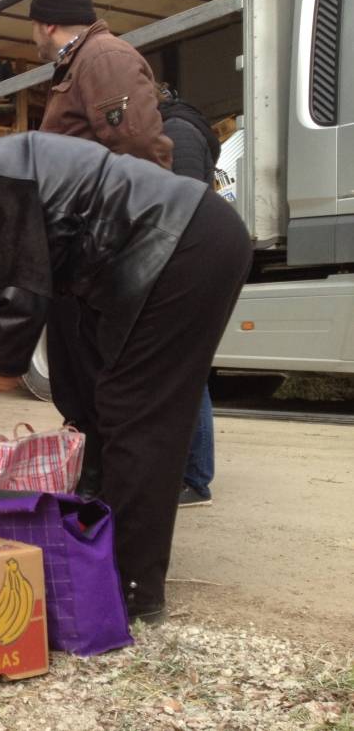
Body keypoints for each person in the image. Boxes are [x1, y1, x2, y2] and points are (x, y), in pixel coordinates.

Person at [0, 132, 251, 623]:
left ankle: (131, 590)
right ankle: (101, 552)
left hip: (180, 243)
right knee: (101, 403)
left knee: (138, 416)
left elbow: (16, 297)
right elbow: (18, 285)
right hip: (175, 239)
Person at [30, 0, 174, 496]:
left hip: (102, 250)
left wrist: (121, 243)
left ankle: (114, 496)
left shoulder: (103, 59)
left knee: (101, 379)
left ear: (47, 25)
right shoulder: (80, 64)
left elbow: (139, 151)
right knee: (77, 376)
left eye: (33, 27)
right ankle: (94, 484)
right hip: (79, 253)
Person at [159, 85, 224, 507]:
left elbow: (181, 207)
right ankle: (184, 471)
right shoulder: (181, 127)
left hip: (185, 265)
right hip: (190, 261)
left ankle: (196, 478)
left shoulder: (177, 131)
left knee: (186, 371)